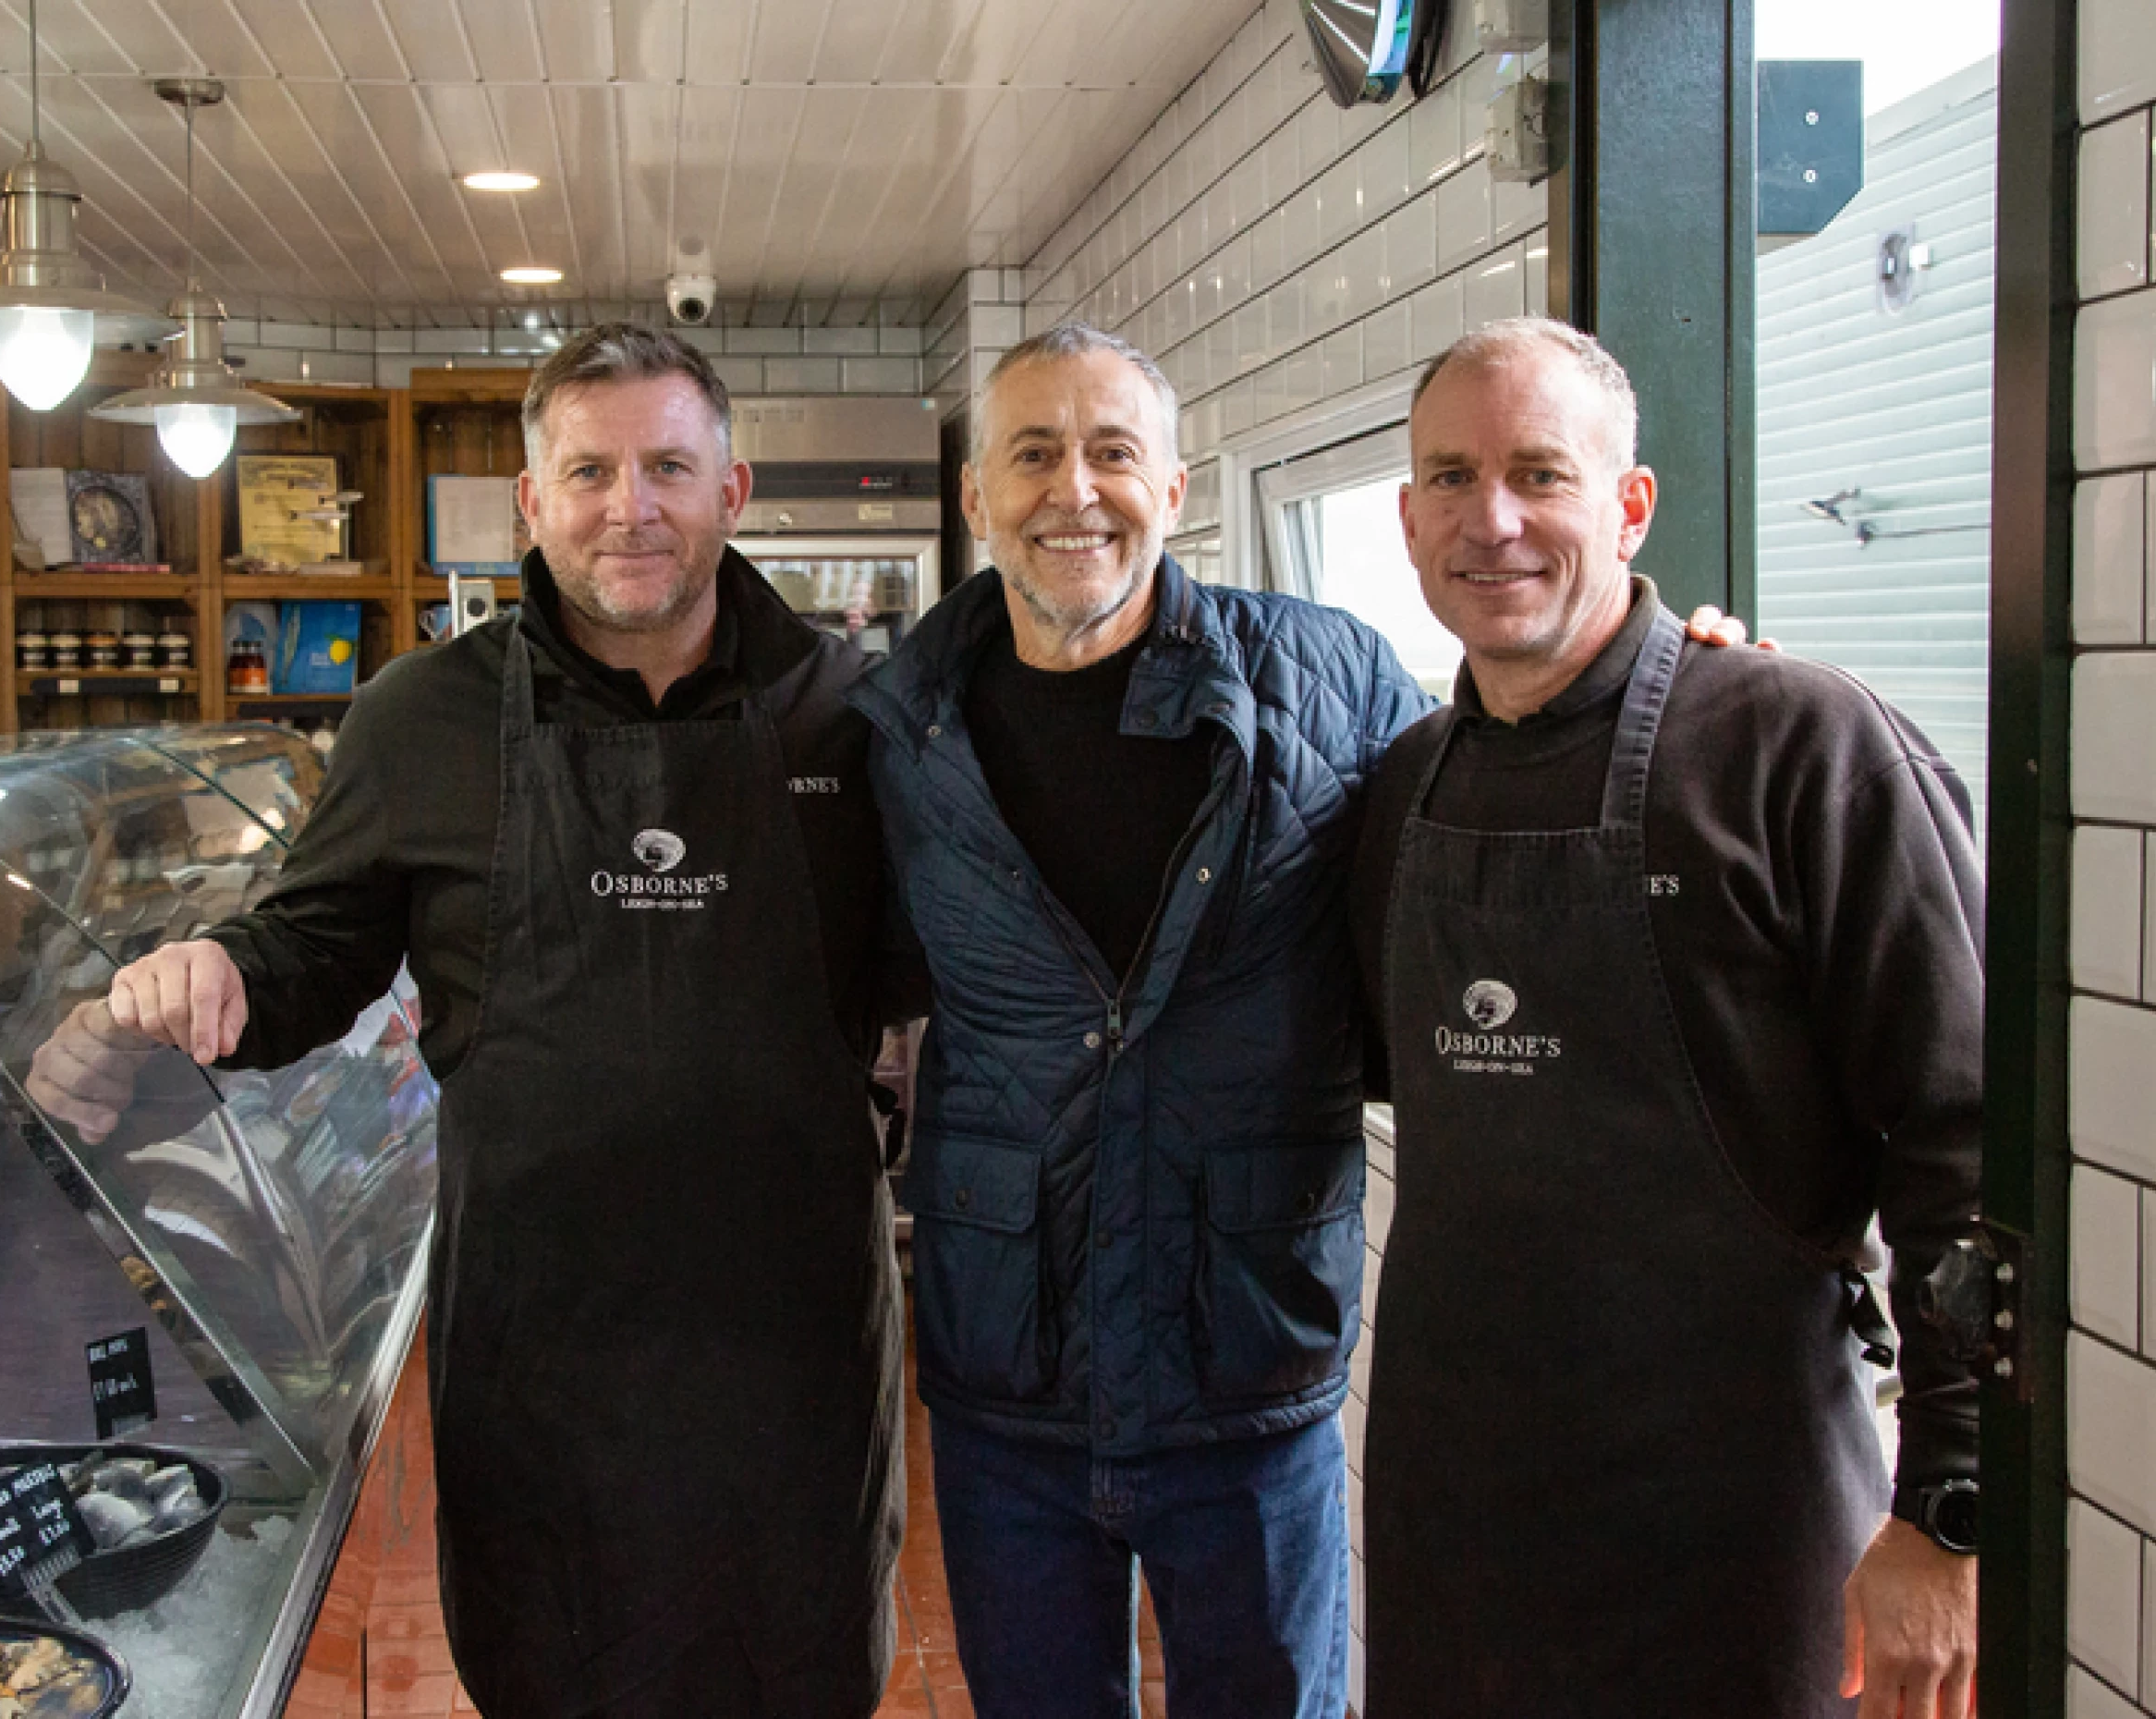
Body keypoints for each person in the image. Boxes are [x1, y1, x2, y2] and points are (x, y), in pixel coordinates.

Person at [30, 325, 909, 1719]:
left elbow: (949, 968)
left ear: (732, 492)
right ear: (532, 500)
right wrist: (204, 973)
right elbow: (312, 949)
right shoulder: (422, 716)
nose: (633, 505)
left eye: (669, 466)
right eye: (592, 470)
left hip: (789, 1348)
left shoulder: (857, 714)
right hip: (543, 1344)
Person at [1349, 316, 1981, 1719]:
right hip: (1461, 1519)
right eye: (1450, 479)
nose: (1491, 520)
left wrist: (1947, 1507)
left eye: (1541, 475)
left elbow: (1969, 1138)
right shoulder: (1396, 795)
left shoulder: (1797, 744)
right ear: (1406, 518)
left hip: (1736, 1522)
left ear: (1631, 506)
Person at [846, 322, 1433, 1719]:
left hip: (1249, 1365)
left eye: (1113, 452)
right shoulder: (896, 727)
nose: (1075, 491)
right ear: (977, 496)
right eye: (1034, 453)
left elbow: (1487, 823)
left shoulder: (1329, 680)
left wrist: (1692, 694)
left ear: (1176, 488)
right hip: (1012, 1379)